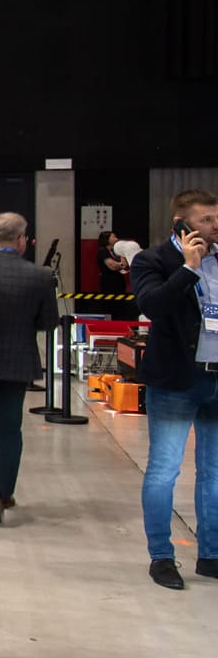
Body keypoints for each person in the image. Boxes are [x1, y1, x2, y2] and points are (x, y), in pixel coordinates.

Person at [129, 189, 218, 589]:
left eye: (217, 218)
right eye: (205, 220)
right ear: (180, 224)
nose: (214, 226)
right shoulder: (154, 260)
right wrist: (189, 268)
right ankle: (162, 556)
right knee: (165, 470)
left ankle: (211, 554)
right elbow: (153, 305)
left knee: (214, 472)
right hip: (176, 381)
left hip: (216, 378)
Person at [0, 212, 59, 524]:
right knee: (10, 428)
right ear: (20, 240)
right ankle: (5, 491)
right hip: (18, 360)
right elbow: (48, 322)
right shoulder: (40, 275)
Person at [97, 229, 130, 295]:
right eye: (114, 237)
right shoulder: (103, 251)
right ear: (107, 240)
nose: (117, 239)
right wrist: (121, 264)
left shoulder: (115, 251)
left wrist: (122, 254)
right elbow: (113, 267)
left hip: (119, 282)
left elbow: (125, 265)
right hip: (108, 284)